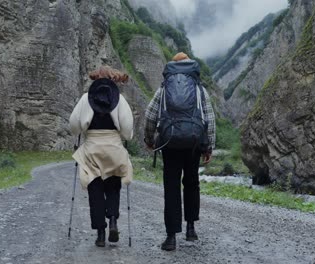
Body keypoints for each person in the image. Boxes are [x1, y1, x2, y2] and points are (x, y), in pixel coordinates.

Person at [144, 52, 216, 251]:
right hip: (193, 142)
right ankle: (191, 228)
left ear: (173, 66)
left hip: (169, 140)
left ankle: (171, 237)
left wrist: (149, 140)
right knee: (192, 183)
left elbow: (150, 114)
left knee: (172, 186)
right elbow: (209, 116)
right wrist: (208, 146)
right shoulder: (199, 88)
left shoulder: (165, 87)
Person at [69, 66, 133, 247]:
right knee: (113, 186)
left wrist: (82, 128)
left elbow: (74, 126)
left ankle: (100, 234)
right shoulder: (119, 99)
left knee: (95, 189)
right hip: (113, 148)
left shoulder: (85, 99)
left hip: (92, 149)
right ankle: (112, 219)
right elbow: (127, 131)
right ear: (113, 80)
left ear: (96, 79)